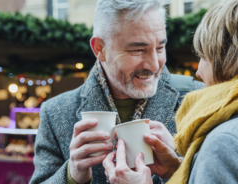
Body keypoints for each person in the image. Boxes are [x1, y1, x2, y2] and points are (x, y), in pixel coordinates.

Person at [29, 0, 205, 183]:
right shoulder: (55, 113)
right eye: (138, 50)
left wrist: (176, 170)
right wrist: (71, 176)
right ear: (100, 49)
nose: (154, 65)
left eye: (160, 47)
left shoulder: (200, 100)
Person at [103, 0, 238, 183]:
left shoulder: (227, 142)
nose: (198, 72)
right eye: (138, 49)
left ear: (229, 59)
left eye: (203, 56)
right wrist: (176, 171)